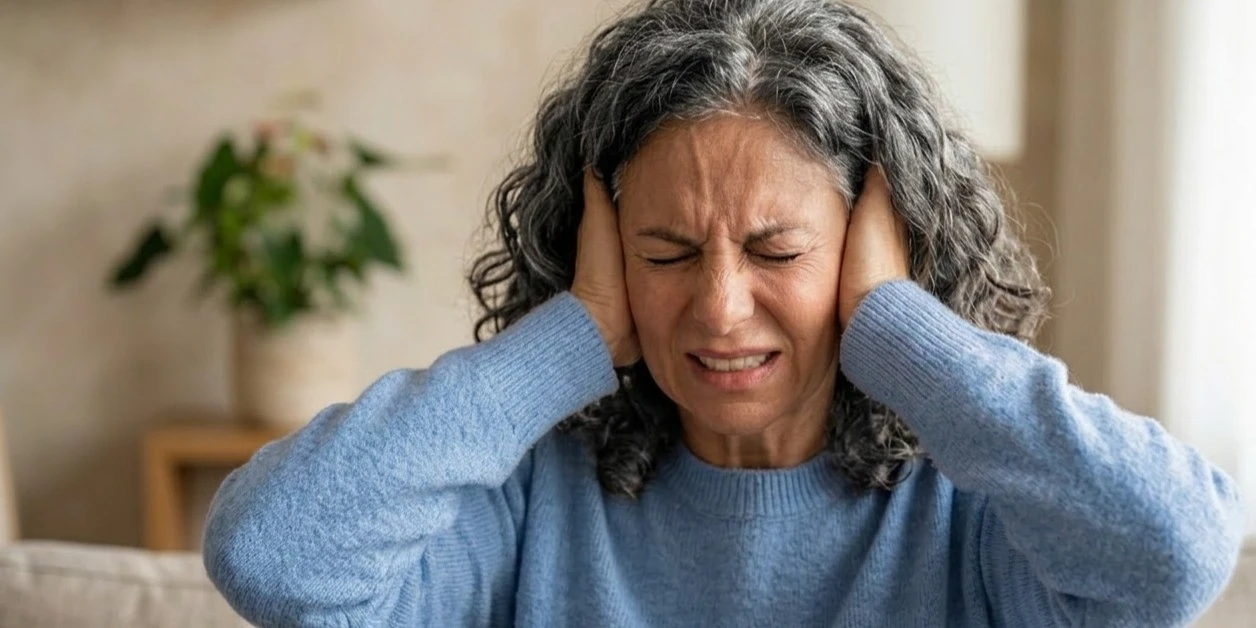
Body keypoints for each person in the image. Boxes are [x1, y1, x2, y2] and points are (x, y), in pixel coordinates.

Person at [202, 0, 1244, 625]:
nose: (718, 306)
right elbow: (272, 555)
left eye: (776, 250)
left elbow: (1176, 552)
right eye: (662, 252)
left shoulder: (975, 512)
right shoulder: (531, 506)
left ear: (871, 246)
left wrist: (897, 325)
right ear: (598, 252)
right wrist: (568, 339)